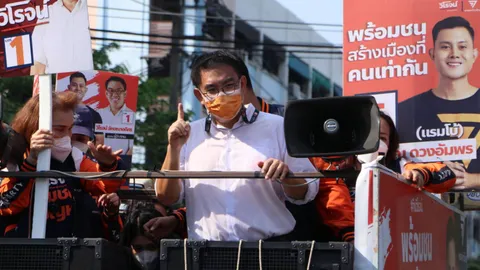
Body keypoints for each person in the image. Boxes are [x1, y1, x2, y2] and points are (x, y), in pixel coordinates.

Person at [154, 50, 319, 241]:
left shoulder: (277, 126)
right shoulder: (188, 135)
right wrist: (173, 148)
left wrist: (286, 176)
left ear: (242, 84)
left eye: (229, 86)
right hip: (207, 255)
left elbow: (306, 192)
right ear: (200, 96)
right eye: (212, 90)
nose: (222, 95)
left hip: (268, 252)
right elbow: (167, 197)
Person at [0, 91, 125, 238]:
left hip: (68, 252)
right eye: (60, 129)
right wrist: (32, 161)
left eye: (70, 128)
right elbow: (7, 205)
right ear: (36, 127)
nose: (67, 135)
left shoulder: (76, 158)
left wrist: (108, 165)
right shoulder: (16, 157)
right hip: (26, 252)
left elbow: (104, 186)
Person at [397, 16, 480, 188]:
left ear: (474, 54)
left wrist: (473, 180)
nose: (454, 54)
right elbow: (391, 166)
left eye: (462, 46)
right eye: (445, 47)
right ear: (432, 54)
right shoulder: (404, 112)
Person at [30, 0, 93, 75]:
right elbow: (38, 64)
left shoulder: (94, 11)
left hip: (91, 82)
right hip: (55, 84)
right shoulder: (46, 14)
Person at [97, 76, 135, 159]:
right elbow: (95, 141)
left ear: (125, 94)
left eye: (119, 90)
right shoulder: (98, 113)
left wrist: (123, 162)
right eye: (111, 90)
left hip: (123, 163)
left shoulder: (133, 115)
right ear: (106, 93)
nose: (114, 94)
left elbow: (132, 147)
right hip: (101, 163)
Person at [68, 72, 104, 145]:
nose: (78, 88)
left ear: (85, 89)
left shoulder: (95, 115)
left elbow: (99, 142)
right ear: (69, 87)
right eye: (74, 85)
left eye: (81, 86)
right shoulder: (59, 110)